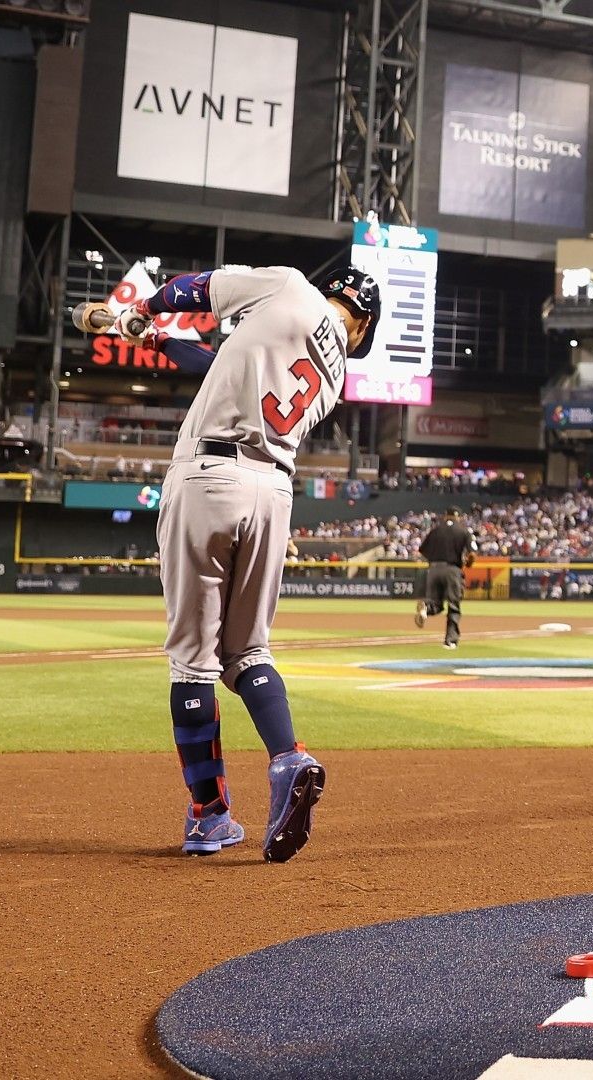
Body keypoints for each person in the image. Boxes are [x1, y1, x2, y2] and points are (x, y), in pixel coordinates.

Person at [71, 264, 379, 862]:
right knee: (250, 654)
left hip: (208, 476)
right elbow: (219, 364)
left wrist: (150, 308)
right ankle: (290, 757)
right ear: (361, 328)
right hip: (274, 493)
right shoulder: (336, 374)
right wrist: (152, 337)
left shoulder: (289, 285)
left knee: (192, 664)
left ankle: (209, 817)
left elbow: (196, 287)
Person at [416, 506, 476, 648]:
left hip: (434, 569)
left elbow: (422, 550)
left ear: (445, 516)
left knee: (436, 604)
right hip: (452, 570)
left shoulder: (435, 530)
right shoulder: (463, 531)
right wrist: (468, 564)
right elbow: (472, 554)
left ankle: (426, 608)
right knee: (453, 606)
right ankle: (450, 641)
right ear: (459, 517)